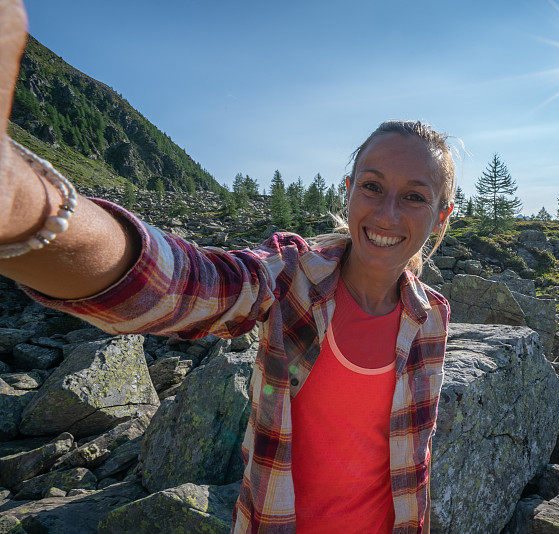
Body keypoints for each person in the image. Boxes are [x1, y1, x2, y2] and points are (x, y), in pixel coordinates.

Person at [0, 1, 456, 532]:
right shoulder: (291, 277)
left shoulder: (432, 319)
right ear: (348, 190)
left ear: (441, 216)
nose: (387, 214)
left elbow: (410, 462)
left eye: (415, 197)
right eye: (372, 186)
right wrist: (29, 212)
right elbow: (185, 286)